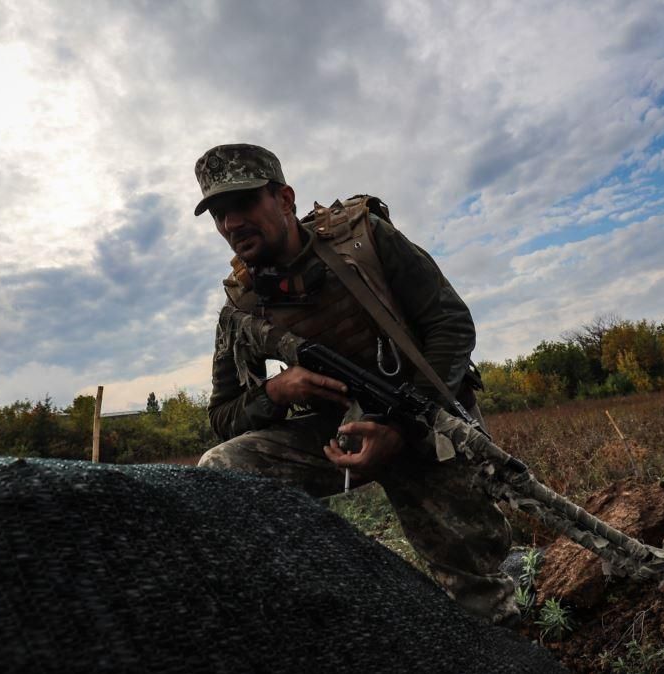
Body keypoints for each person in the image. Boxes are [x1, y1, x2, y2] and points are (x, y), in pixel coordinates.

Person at [193, 143, 519, 626]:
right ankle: (301, 604)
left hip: (425, 424)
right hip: (334, 439)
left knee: (483, 605)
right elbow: (223, 416)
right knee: (220, 468)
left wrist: (396, 425)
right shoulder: (241, 306)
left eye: (243, 204)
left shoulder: (363, 240)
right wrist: (276, 393)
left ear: (284, 199)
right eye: (219, 212)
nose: (230, 223)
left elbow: (450, 324)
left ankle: (507, 593)